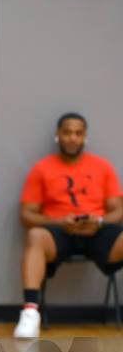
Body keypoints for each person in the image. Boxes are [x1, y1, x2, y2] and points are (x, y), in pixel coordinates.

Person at [14, 112, 123, 339]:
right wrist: (58, 222)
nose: (72, 138)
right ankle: (30, 313)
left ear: (84, 137)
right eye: (67, 132)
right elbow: (26, 215)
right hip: (59, 232)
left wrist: (99, 222)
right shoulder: (42, 168)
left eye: (78, 133)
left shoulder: (102, 166)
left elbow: (118, 210)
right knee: (35, 235)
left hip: (97, 231)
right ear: (58, 135)